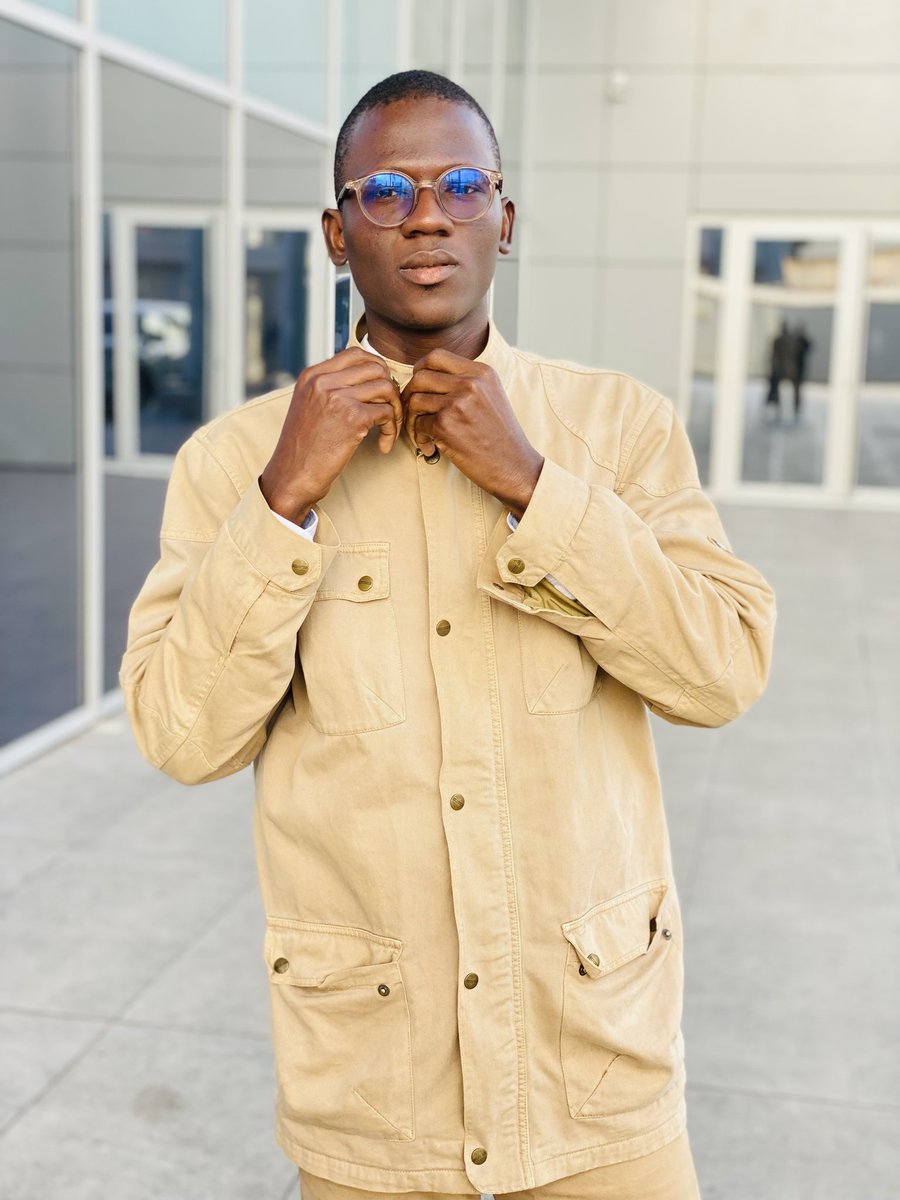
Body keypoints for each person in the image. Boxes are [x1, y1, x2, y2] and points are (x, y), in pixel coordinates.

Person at [121, 71, 776, 1200]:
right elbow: (183, 736)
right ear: (337, 233)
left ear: (504, 222)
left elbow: (721, 671)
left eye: (461, 185)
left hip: (599, 1097)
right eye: (385, 191)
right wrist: (282, 501)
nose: (427, 214)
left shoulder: (617, 429)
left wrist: (536, 487)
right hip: (372, 1110)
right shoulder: (236, 462)